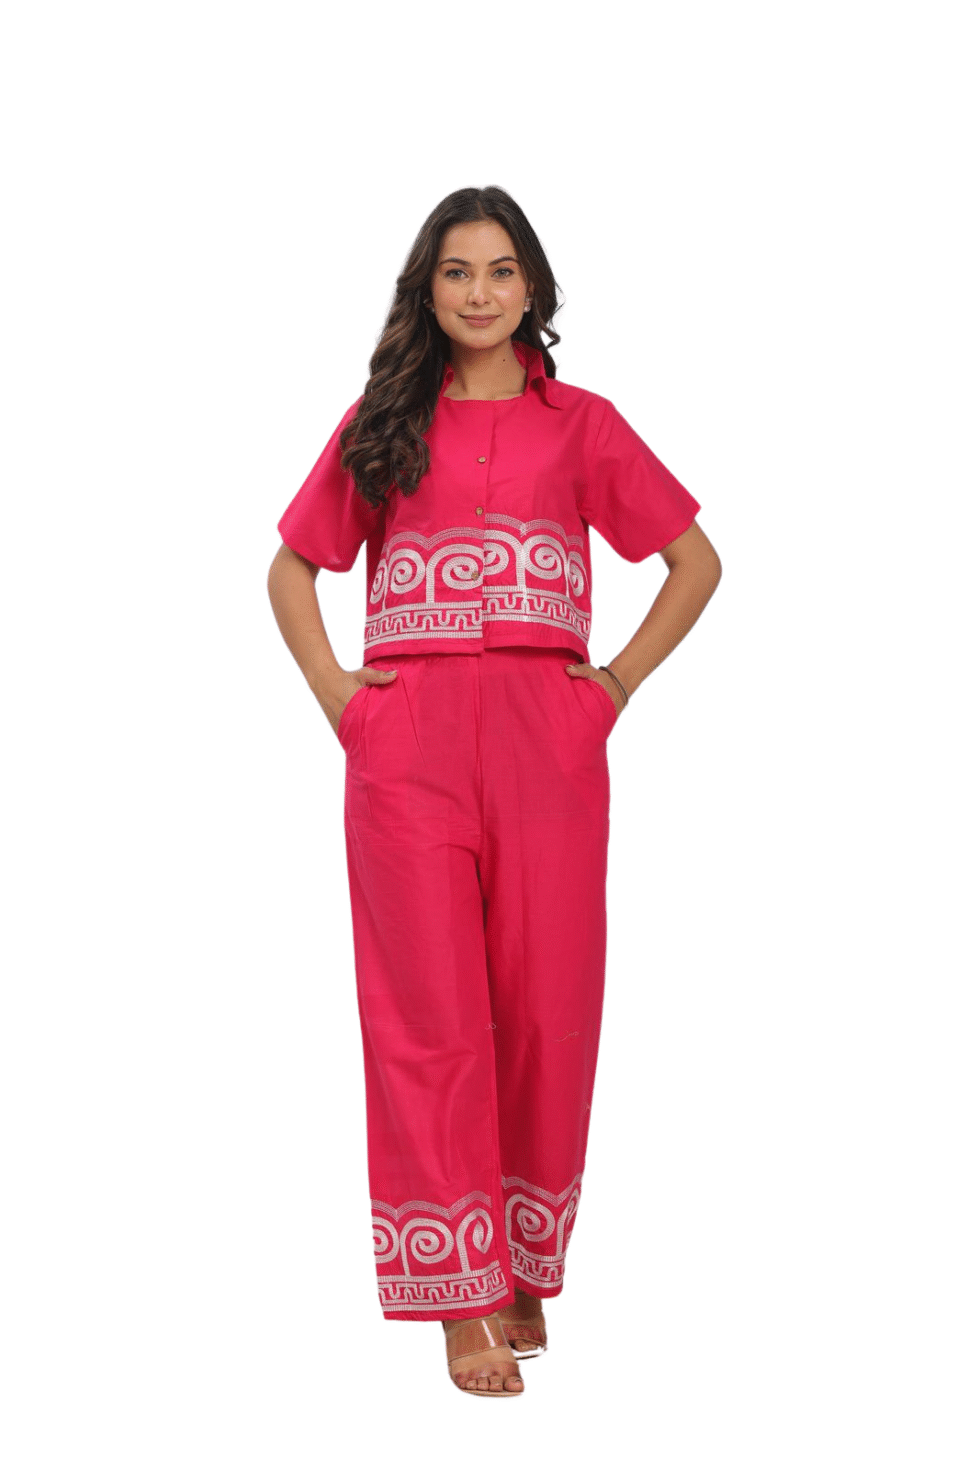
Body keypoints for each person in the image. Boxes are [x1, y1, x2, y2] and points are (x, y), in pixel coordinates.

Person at [267, 186, 722, 1398]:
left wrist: (611, 685)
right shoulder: (383, 423)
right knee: (427, 1017)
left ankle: (521, 1265)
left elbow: (693, 561)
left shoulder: (584, 426)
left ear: (532, 290)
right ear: (426, 290)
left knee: (545, 1009)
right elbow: (292, 569)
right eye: (456, 271)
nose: (479, 291)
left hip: (548, 743)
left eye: (501, 270)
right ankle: (459, 1300)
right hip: (406, 746)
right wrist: (340, 699)